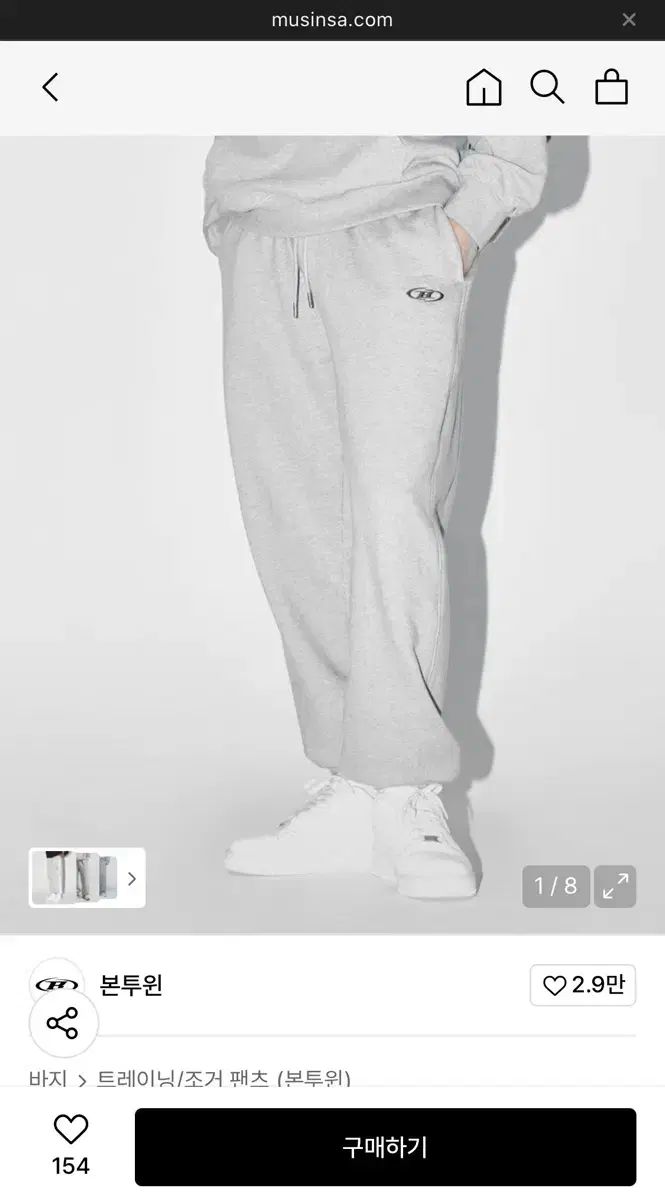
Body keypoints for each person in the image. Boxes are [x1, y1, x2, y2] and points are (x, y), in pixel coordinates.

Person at [204, 136, 547, 899]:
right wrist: (226, 214)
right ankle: (353, 788)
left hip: (396, 225)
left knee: (396, 516)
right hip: (261, 229)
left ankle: (404, 792)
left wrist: (466, 220)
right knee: (295, 522)